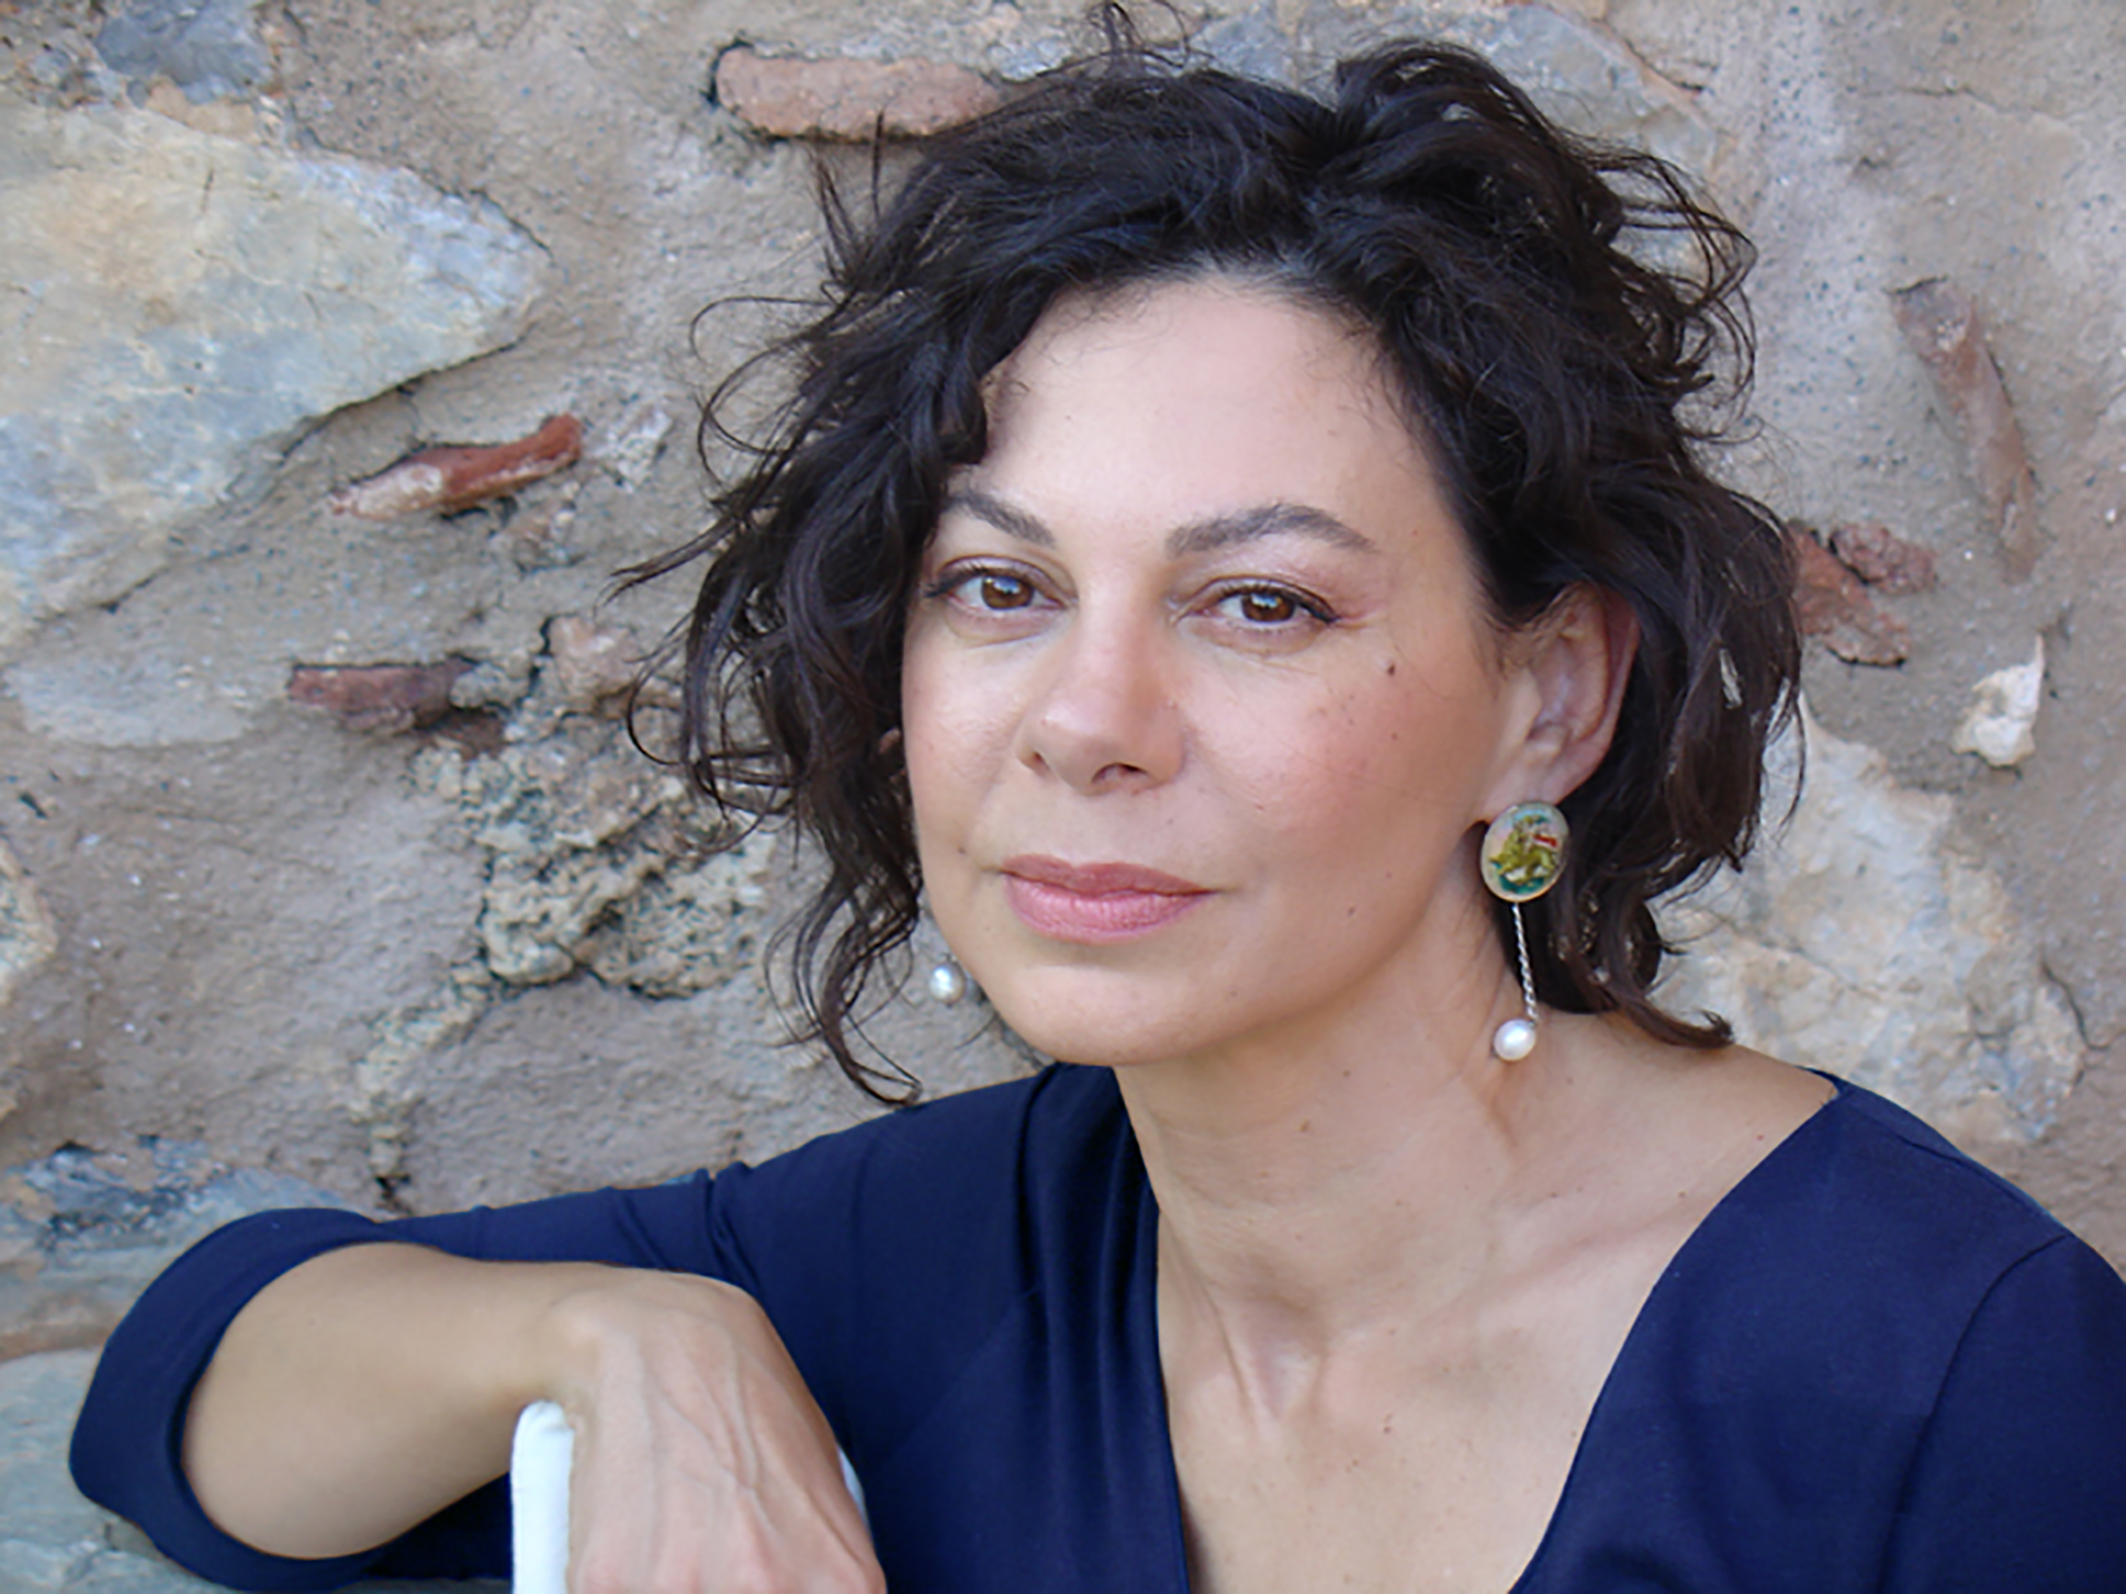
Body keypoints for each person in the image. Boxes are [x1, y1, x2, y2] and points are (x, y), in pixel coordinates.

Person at [69, 21, 2126, 1594]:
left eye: (1258, 603)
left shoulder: (1954, 1384)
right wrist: (623, 1341)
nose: (1087, 722)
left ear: (1547, 699)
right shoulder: (958, 1254)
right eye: (1000, 586)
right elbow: (189, 1390)